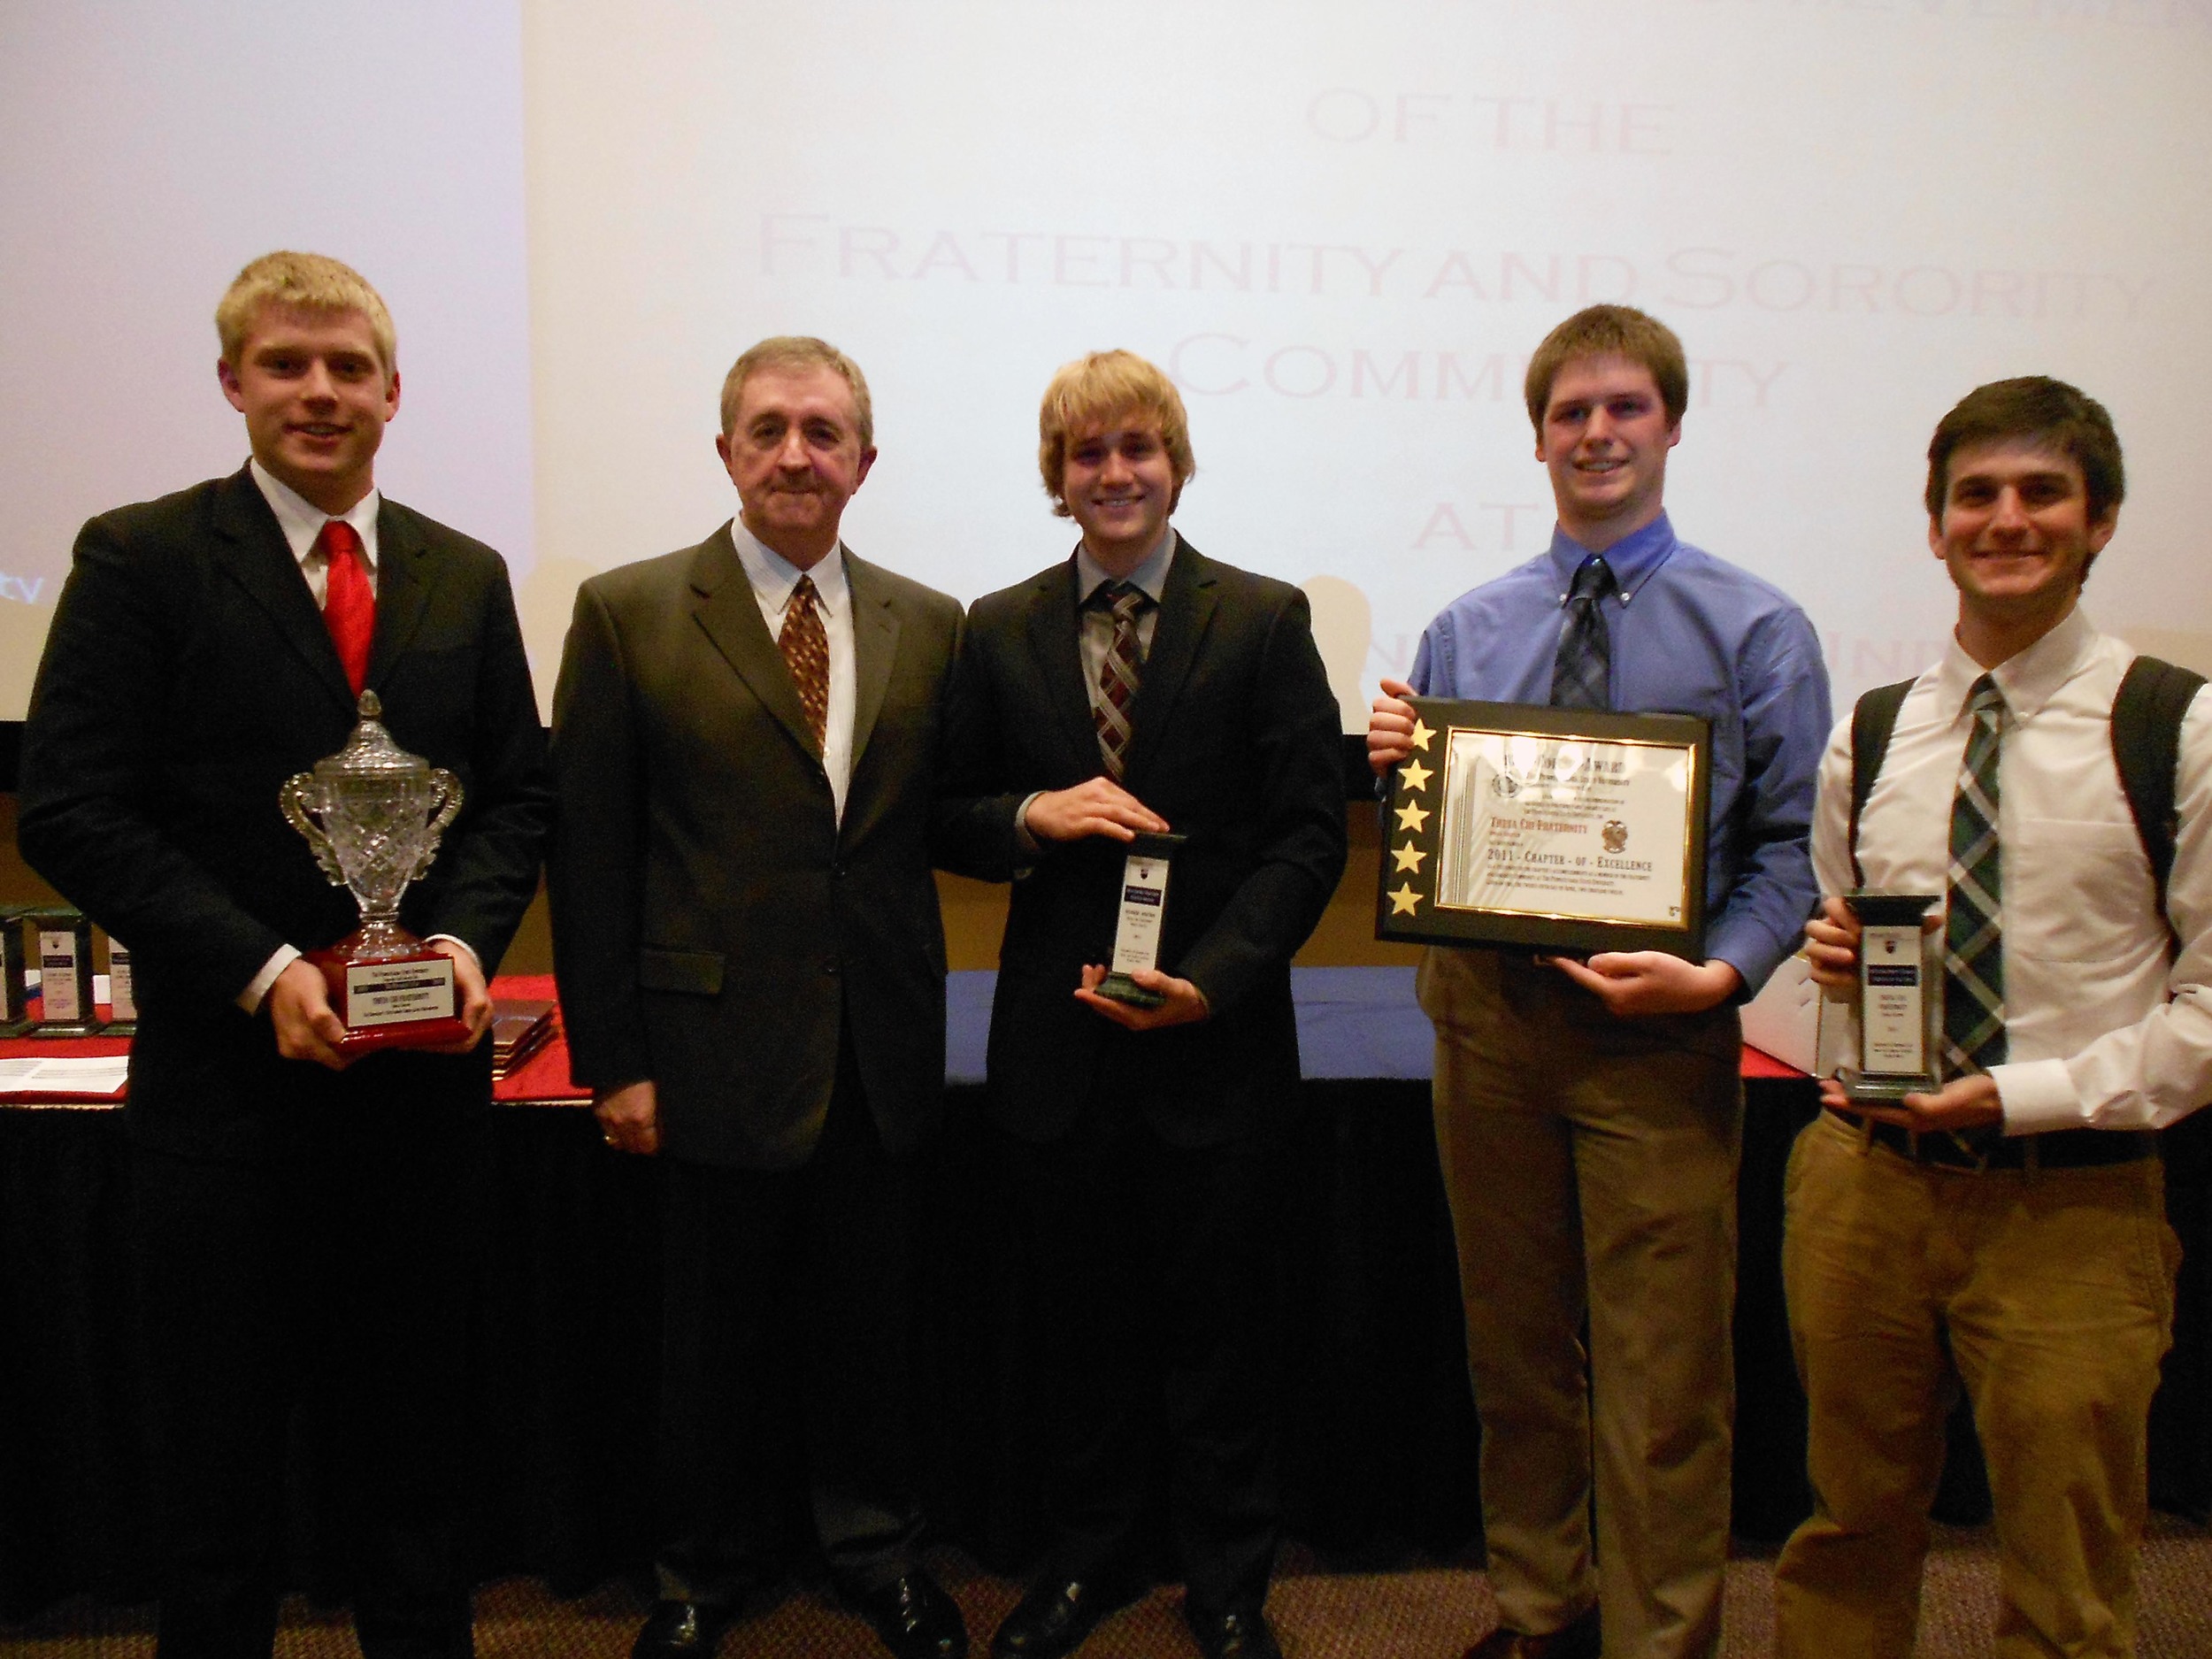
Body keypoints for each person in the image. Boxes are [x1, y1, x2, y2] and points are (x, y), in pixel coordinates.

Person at [17, 251, 552, 1658]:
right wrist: (262, 971)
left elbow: (518, 796)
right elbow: (70, 804)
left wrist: (451, 940)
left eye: (348, 367)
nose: (320, 392)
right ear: (232, 383)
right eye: (286, 364)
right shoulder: (139, 558)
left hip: (417, 1115)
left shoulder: (467, 572)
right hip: (224, 1107)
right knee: (219, 1500)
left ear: (394, 390)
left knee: (418, 1488)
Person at [1367, 304, 1829, 1659]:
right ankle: (1539, 1610)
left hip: (1659, 1041)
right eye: (1572, 412)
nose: (1599, 433)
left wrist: (1723, 976)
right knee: (1517, 1363)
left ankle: (1659, 1640)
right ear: (1537, 438)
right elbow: (1434, 845)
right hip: (1488, 1032)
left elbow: (1797, 849)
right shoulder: (1467, 627)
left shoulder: (1758, 628)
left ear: (1672, 426)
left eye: (1626, 407)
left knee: (1665, 1380)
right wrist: (1410, 786)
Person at [1773, 377, 2210, 1658]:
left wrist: (2019, 1094)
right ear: (1936, 525)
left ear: (2101, 520)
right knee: (1845, 1533)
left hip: (2070, 1207)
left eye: (2041, 493)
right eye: (1977, 495)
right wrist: (1832, 974)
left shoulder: (2173, 728)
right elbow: (1842, 966)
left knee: (2068, 1570)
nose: (2005, 519)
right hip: (1865, 1189)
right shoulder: (1874, 732)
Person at [548, 337, 968, 1659]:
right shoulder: (627, 611)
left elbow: (941, 817)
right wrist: (613, 1060)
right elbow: (592, 853)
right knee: (708, 1340)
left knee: (870, 1327)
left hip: (878, 1047)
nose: (798, 453)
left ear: (865, 461)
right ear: (725, 450)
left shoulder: (930, 621)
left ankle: (876, 1550)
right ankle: (697, 1571)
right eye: (771, 429)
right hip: (703, 1043)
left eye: (825, 432)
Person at [935, 349, 1347, 1659]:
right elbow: (940, 813)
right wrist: (1025, 816)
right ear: (1056, 480)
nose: (1114, 474)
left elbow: (1306, 839)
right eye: (1087, 455)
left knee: (1222, 1330)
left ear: (1176, 463)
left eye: (1137, 449)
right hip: (1057, 1045)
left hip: (1214, 1044)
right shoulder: (992, 628)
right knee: (1079, 1325)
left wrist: (1211, 982)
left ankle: (1228, 1583)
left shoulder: (1267, 618)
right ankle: (1090, 1561)